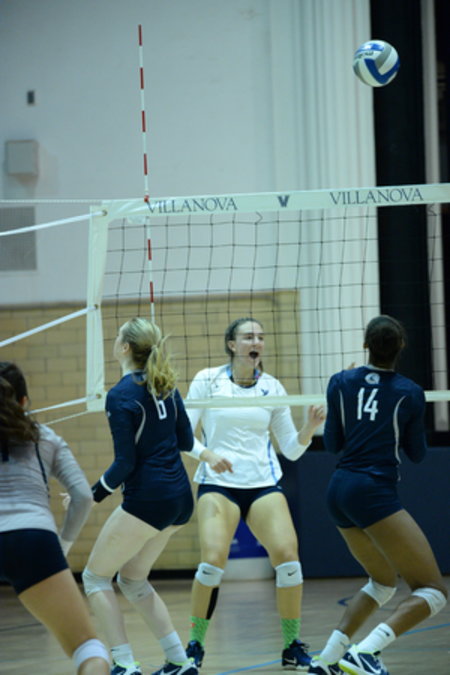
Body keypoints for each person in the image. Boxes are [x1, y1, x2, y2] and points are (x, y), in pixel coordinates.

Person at [307, 315, 448, 675]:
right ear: (401, 347)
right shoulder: (409, 392)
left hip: (338, 490)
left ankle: (328, 659)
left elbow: (333, 444)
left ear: (365, 344)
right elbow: (417, 453)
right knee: (433, 591)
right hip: (372, 490)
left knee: (383, 582)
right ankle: (366, 652)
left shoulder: (340, 381)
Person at [183, 317, 325, 671]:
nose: (256, 342)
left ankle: (292, 645)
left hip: (262, 484)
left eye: (260, 337)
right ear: (232, 345)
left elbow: (290, 450)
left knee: (288, 559)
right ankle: (195, 645)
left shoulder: (273, 387)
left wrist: (309, 428)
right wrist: (208, 456)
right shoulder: (207, 380)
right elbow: (182, 434)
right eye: (248, 337)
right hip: (218, 483)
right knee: (212, 561)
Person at [82, 318, 198, 675]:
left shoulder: (120, 395)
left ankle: (124, 663)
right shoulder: (168, 385)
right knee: (132, 579)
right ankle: (179, 661)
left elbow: (125, 463)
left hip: (149, 499)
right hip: (180, 500)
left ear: (125, 348)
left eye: (118, 336)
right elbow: (186, 441)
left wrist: (90, 496)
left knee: (95, 578)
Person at [0, 361, 110, 675]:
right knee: (88, 649)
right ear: (24, 401)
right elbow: (83, 497)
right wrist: (62, 545)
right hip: (33, 538)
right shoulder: (45, 437)